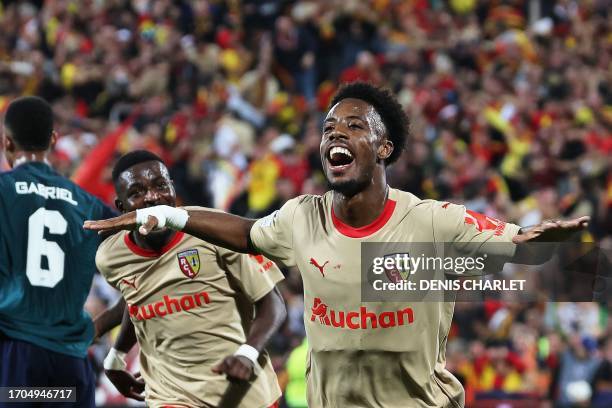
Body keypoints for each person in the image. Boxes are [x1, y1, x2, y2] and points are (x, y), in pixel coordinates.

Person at [86, 83, 590, 407]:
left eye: (353, 126)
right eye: (328, 127)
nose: (335, 134)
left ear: (384, 148)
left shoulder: (433, 221)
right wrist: (168, 213)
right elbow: (245, 232)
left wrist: (543, 243)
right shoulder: (302, 217)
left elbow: (522, 249)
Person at [96, 150, 285, 408]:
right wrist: (116, 355)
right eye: (137, 192)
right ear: (121, 208)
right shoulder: (111, 256)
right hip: (171, 395)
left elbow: (272, 303)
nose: (152, 197)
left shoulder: (216, 230)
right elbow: (138, 298)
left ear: (173, 189)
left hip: (244, 393)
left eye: (161, 186)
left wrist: (247, 353)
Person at [0, 96, 118, 407]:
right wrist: (102, 327)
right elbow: (144, 276)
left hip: (17, 359)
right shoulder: (90, 205)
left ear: (6, 142)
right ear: (53, 140)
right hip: (71, 363)